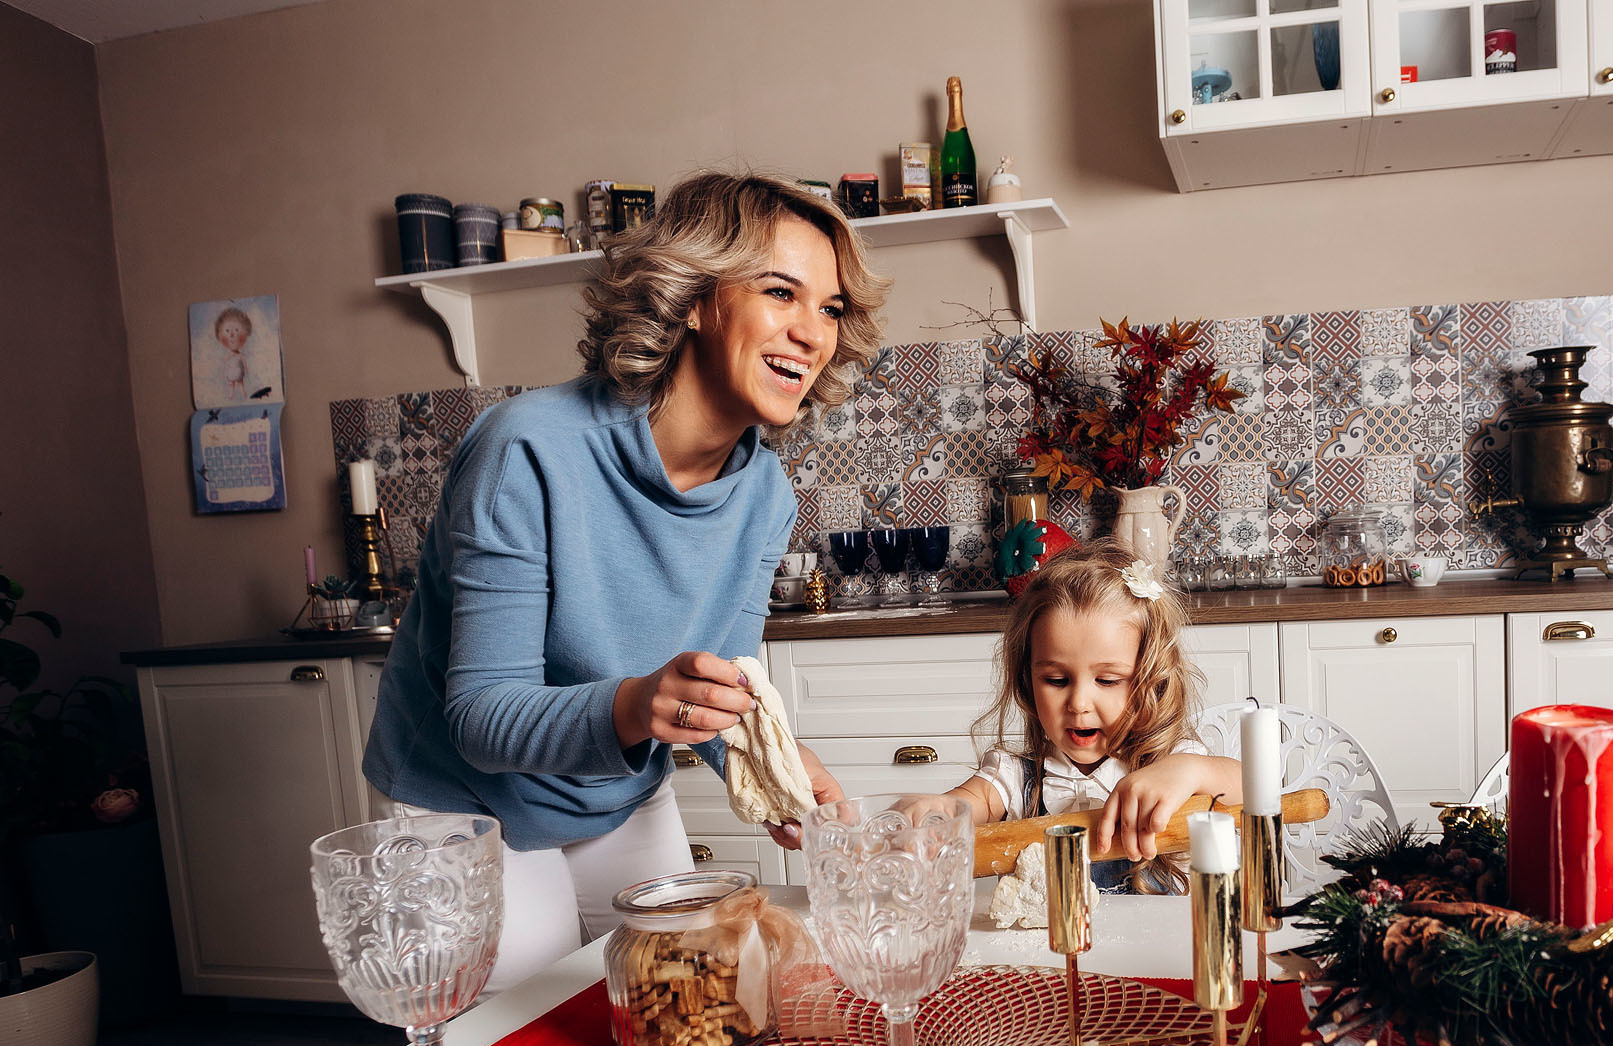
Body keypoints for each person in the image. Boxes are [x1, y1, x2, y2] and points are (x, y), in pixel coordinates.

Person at [364, 172, 886, 987]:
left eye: (830, 308)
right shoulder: (527, 450)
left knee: (682, 1007)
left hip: (617, 795)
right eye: (782, 291)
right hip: (466, 808)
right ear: (695, 299)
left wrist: (782, 767)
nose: (813, 332)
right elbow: (479, 714)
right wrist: (641, 703)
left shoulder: (764, 496)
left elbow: (719, 690)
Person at [944, 542, 1242, 892]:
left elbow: (1254, 792)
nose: (1079, 702)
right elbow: (966, 805)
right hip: (1049, 947)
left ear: (1150, 679)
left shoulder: (1174, 763)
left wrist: (1194, 770)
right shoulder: (1014, 777)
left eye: (1107, 680)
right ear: (1028, 679)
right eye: (1056, 680)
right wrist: (939, 810)